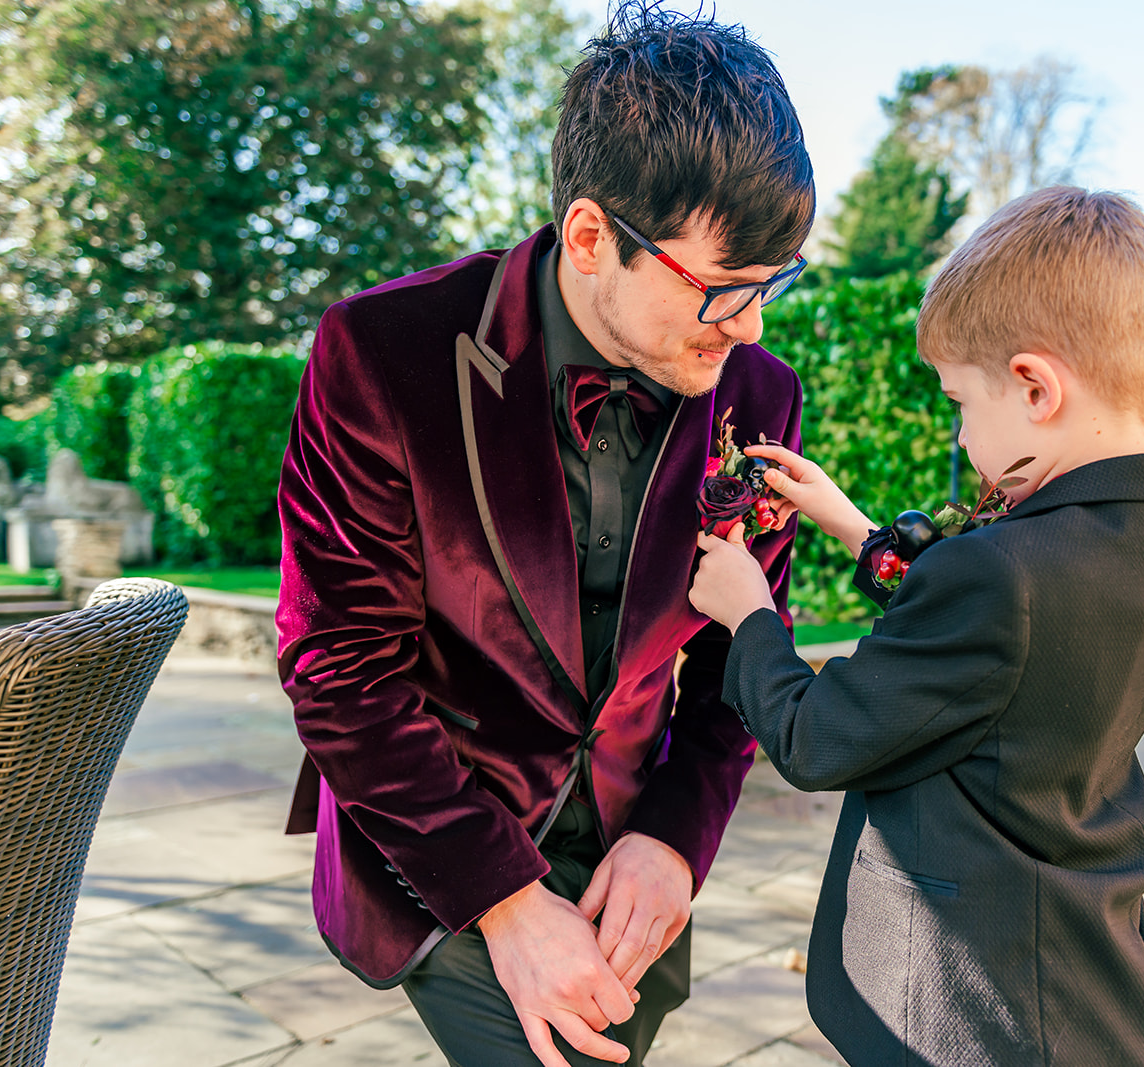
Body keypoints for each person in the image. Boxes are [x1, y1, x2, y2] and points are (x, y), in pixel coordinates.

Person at [274, 7, 814, 1066]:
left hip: (632, 844)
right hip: (434, 844)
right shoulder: (383, 353)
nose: (751, 324)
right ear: (587, 235)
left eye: (776, 280)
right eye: (723, 288)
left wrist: (674, 841)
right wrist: (507, 902)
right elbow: (338, 671)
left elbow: (732, 666)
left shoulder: (759, 393)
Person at [689, 186, 1144, 1067]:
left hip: (974, 1011)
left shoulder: (1000, 575)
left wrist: (750, 613)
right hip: (1086, 981)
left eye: (963, 402)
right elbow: (1003, 650)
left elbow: (817, 739)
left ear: (1036, 387)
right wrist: (856, 525)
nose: (964, 438)